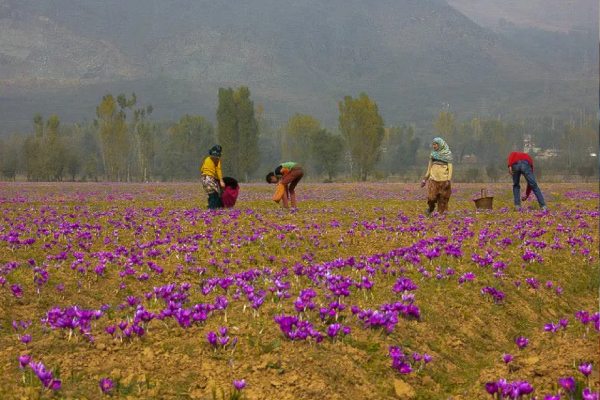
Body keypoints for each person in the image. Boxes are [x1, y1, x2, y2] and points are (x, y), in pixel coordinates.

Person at [421, 137, 453, 215]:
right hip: (433, 180)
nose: (434, 146)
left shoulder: (447, 155)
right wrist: (425, 179)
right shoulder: (433, 155)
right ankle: (431, 208)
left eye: (435, 144)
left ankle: (440, 216)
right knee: (431, 198)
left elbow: (450, 169)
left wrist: (448, 180)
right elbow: (429, 168)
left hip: (444, 181)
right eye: (433, 144)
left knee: (443, 200)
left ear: (440, 145)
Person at [200, 145, 225, 209]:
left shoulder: (207, 158)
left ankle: (212, 207)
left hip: (203, 178)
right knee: (215, 194)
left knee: (211, 194)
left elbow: (202, 169)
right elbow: (218, 170)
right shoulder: (217, 160)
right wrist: (221, 181)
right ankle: (212, 208)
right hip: (209, 178)